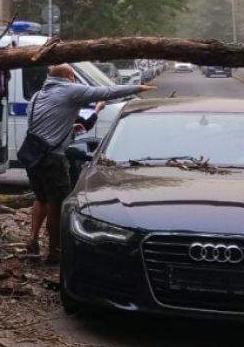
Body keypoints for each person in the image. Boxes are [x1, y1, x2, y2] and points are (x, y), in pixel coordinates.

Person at [20, 65, 155, 263]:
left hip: (32, 155)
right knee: (56, 203)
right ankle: (55, 250)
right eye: (74, 77)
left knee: (41, 198)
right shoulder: (70, 90)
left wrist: (71, 126)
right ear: (70, 76)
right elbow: (107, 91)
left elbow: (45, 124)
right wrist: (138, 88)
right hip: (52, 158)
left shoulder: (38, 95)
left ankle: (32, 239)